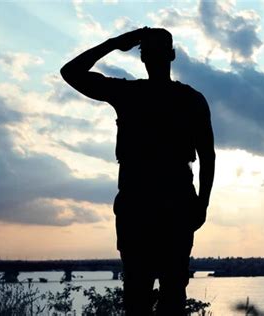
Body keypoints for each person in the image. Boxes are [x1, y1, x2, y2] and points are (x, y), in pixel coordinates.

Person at [60, 27, 215, 315]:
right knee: (166, 291)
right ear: (172, 55)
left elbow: (71, 71)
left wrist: (114, 44)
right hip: (166, 203)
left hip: (147, 204)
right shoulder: (188, 99)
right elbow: (208, 157)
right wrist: (202, 203)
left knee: (140, 291)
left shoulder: (129, 93)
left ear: (142, 57)